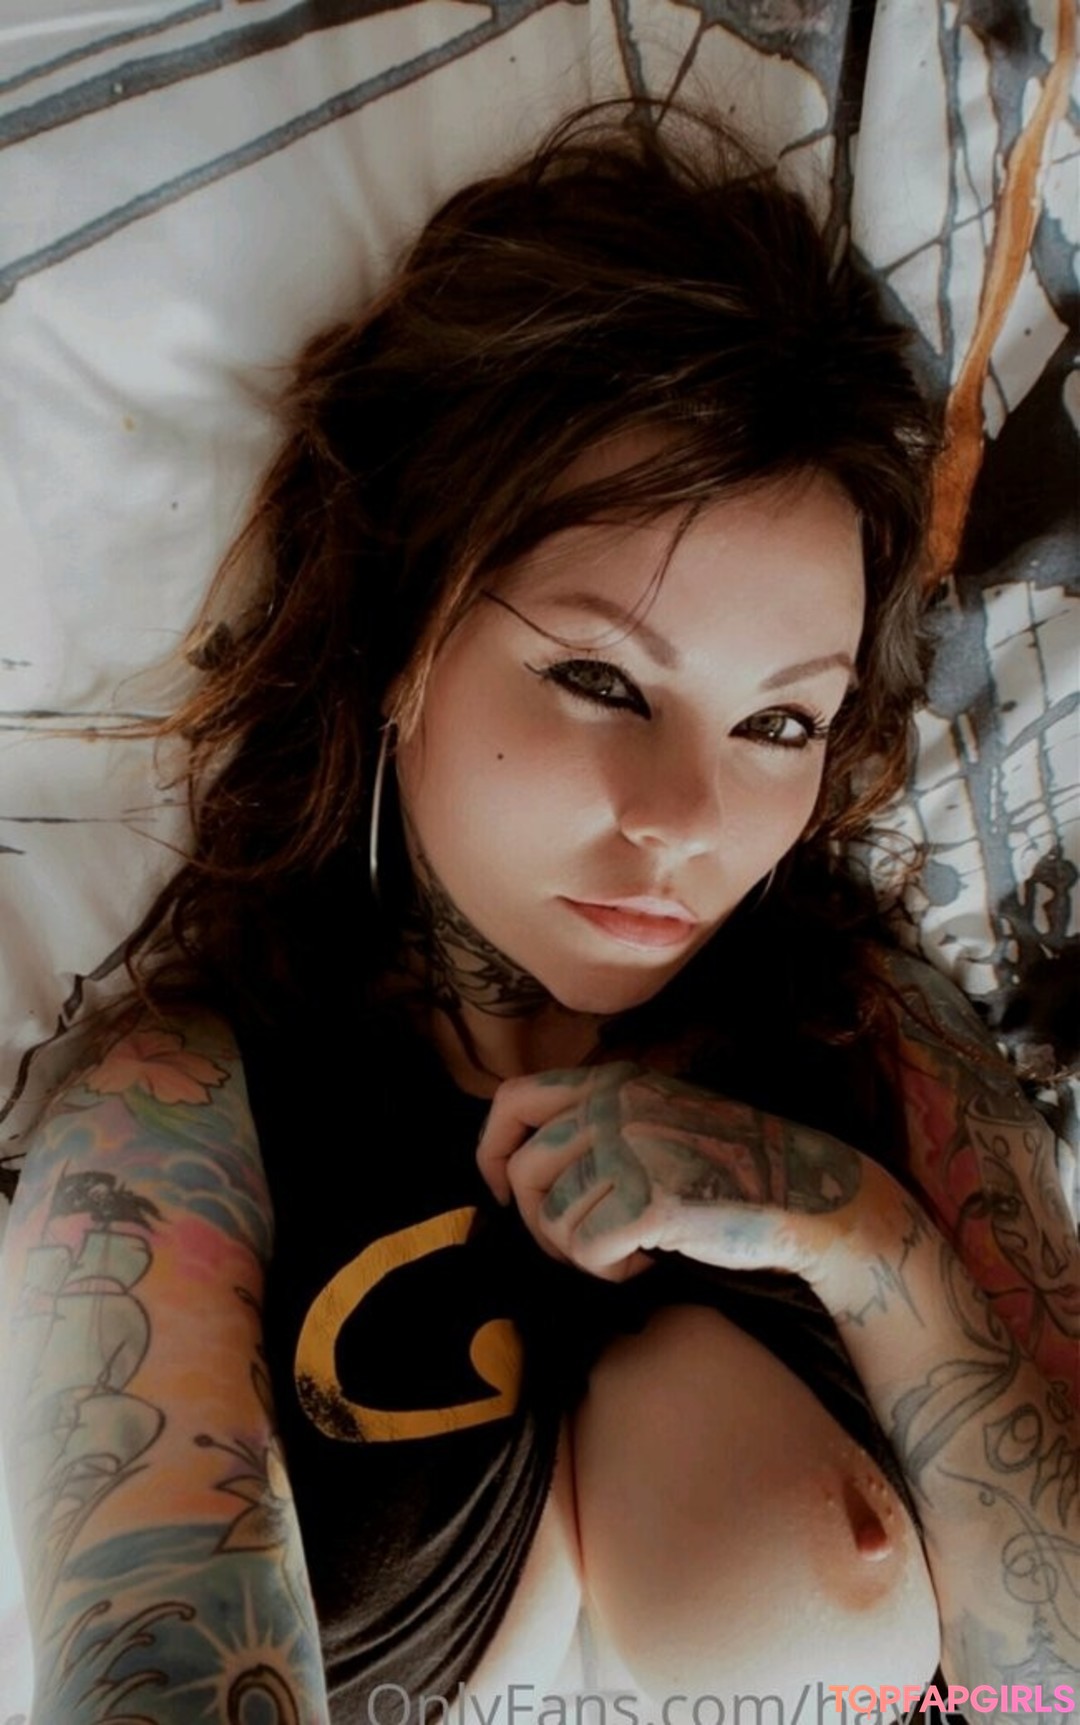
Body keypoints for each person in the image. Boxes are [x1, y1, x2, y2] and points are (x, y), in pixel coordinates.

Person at [2, 101, 1077, 1725]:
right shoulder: (178, 1117)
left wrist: (864, 1241)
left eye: (779, 721)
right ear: (401, 631)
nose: (685, 820)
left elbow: (1053, 1686)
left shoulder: (875, 1036)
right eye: (601, 679)